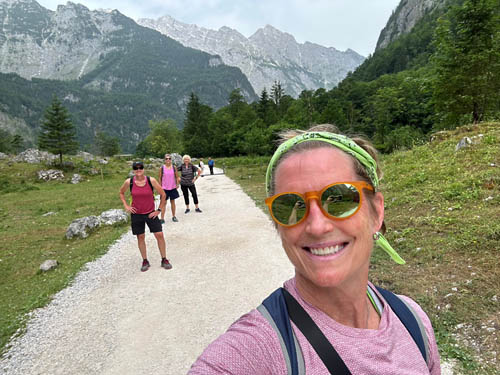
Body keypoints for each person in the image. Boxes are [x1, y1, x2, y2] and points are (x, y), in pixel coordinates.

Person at [189, 124, 440, 374]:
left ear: (377, 211)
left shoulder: (413, 321)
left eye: (340, 199)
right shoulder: (256, 351)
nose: (317, 226)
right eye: (290, 205)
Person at [119, 161, 173, 272]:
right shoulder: (129, 182)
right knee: (140, 237)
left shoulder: (151, 180)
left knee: (159, 235)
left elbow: (163, 194)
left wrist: (159, 210)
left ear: (143, 169)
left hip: (150, 213)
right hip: (136, 214)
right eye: (136, 168)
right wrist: (126, 206)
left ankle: (164, 259)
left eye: (140, 167)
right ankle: (145, 260)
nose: (138, 170)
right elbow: (121, 193)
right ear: (133, 170)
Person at [159, 153, 180, 223]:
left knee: (173, 202)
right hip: (164, 188)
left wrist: (177, 184)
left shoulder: (174, 167)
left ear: (171, 160)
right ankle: (162, 218)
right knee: (163, 203)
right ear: (164, 160)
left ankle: (174, 216)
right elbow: (160, 178)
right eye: (166, 159)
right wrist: (160, 187)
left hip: (172, 187)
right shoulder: (162, 168)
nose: (168, 160)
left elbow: (177, 177)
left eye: (169, 158)